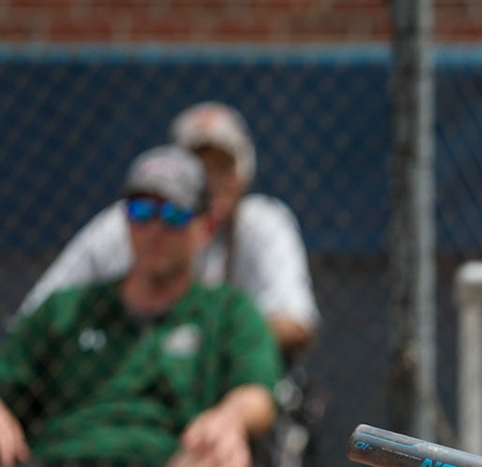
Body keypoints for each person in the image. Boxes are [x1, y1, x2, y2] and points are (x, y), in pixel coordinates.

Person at [0, 146, 282, 467]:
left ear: (204, 227)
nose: (155, 229)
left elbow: (258, 392)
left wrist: (230, 416)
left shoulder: (228, 311)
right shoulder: (65, 309)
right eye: (141, 211)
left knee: (216, 462)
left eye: (173, 214)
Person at [19, 102, 318, 359]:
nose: (212, 181)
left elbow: (295, 322)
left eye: (223, 167)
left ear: (243, 175)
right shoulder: (130, 218)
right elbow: (34, 315)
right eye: (199, 167)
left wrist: (195, 343)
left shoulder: (262, 222)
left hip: (232, 377)